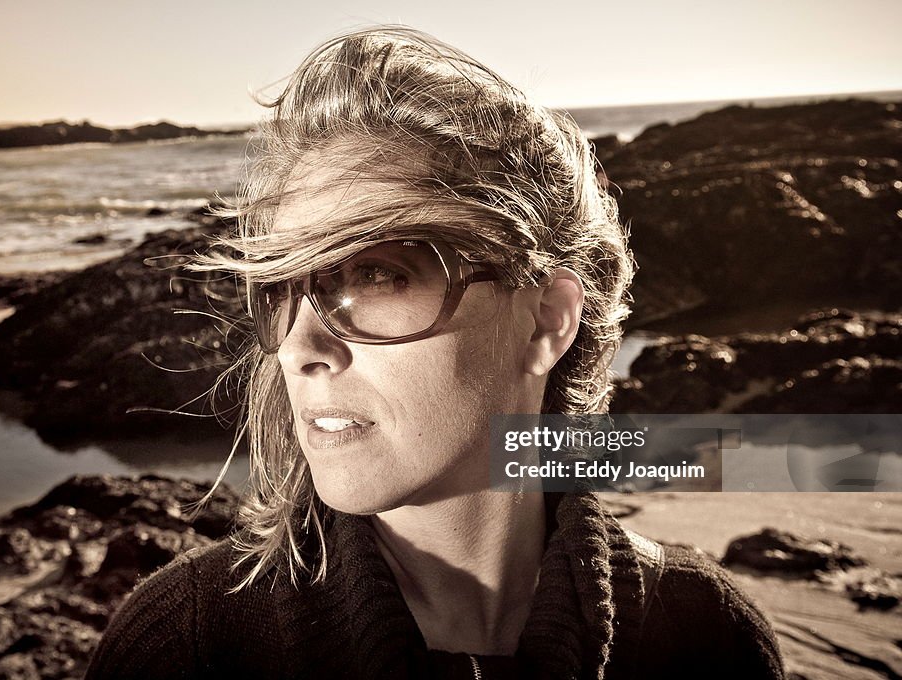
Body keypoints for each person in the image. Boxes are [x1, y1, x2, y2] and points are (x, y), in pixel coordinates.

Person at [86, 26, 785, 679]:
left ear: (547, 321)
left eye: (379, 275)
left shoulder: (704, 637)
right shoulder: (189, 646)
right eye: (279, 291)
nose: (299, 348)